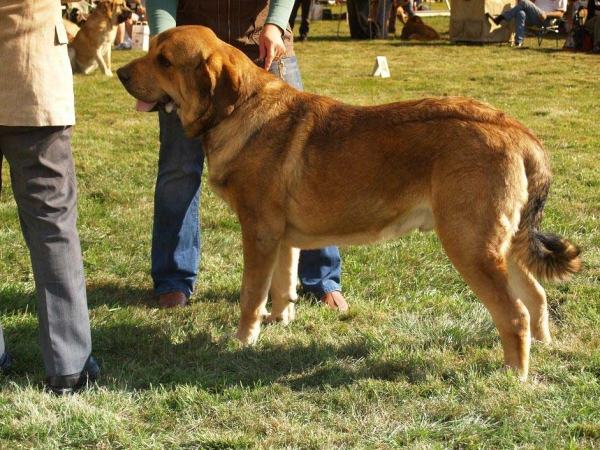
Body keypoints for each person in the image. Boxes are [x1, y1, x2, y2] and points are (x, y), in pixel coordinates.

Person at [145, 0, 348, 312]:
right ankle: (173, 279)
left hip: (264, 42)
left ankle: (322, 277)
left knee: (307, 169)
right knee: (179, 168)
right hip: (188, 57)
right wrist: (164, 46)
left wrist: (276, 24)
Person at [0, 0, 99, 395]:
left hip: (33, 74)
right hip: (32, 74)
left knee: (52, 223)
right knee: (52, 224)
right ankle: (69, 366)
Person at [486, 0, 568, 47]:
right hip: (535, 16)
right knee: (520, 13)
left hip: (546, 19)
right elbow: (532, 4)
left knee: (525, 2)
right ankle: (519, 42)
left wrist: (547, 14)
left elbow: (560, 14)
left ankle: (501, 18)